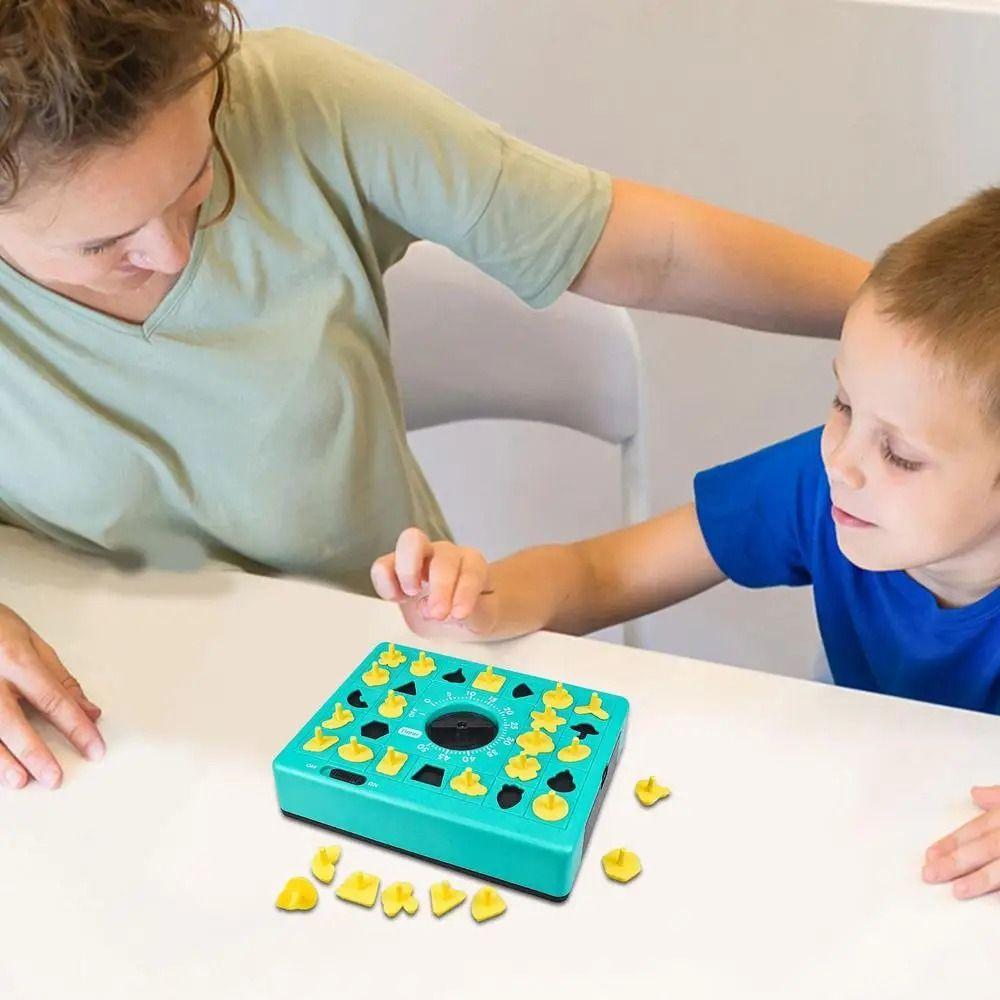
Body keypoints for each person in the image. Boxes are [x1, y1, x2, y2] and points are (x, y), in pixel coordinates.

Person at [0, 2, 867, 792]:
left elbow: (651, 251)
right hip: (91, 730)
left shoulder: (298, 99)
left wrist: (915, 324)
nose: (177, 252)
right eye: (106, 245)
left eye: (200, 182)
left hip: (386, 681)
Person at [374, 186, 1000, 900]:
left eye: (901, 454)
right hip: (867, 821)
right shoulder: (820, 485)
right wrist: (482, 600)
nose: (843, 461)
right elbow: (602, 571)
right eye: (843, 405)